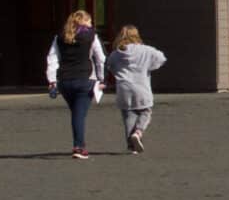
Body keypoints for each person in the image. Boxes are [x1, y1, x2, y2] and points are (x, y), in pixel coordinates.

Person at [45, 9, 105, 160]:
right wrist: (101, 78)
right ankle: (79, 147)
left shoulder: (59, 37)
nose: (91, 25)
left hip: (64, 82)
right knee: (79, 114)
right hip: (85, 80)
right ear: (84, 21)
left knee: (76, 113)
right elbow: (100, 58)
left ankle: (79, 144)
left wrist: (52, 81)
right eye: (90, 22)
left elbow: (52, 58)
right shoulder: (91, 36)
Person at [106, 25, 166, 154]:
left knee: (128, 116)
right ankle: (138, 132)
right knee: (146, 111)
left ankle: (131, 146)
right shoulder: (146, 50)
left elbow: (109, 65)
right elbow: (161, 58)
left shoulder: (117, 53)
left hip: (123, 88)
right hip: (141, 86)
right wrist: (149, 66)